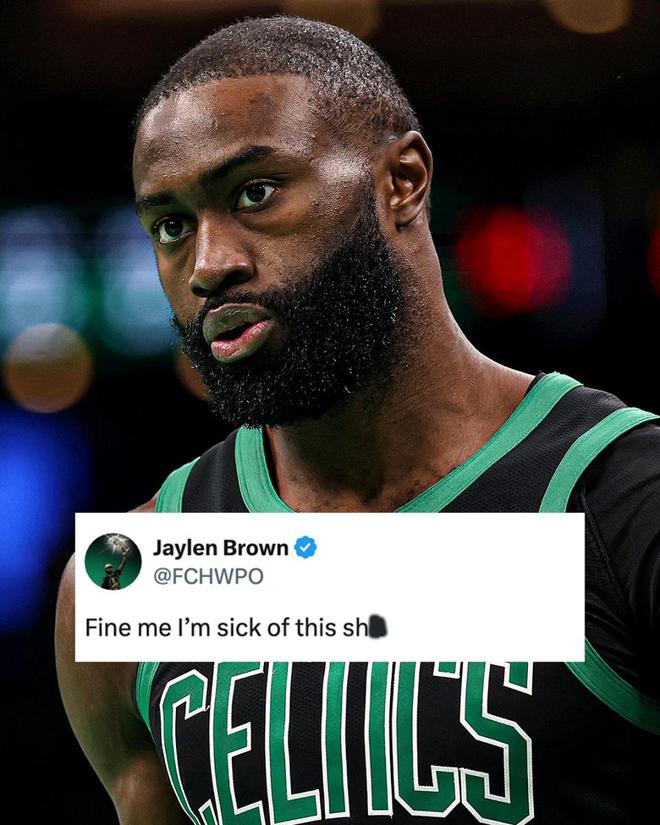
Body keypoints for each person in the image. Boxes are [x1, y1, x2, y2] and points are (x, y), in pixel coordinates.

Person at [55, 16, 660, 825]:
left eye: (255, 193)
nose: (209, 265)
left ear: (401, 182)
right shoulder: (137, 579)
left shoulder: (623, 501)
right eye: (172, 225)